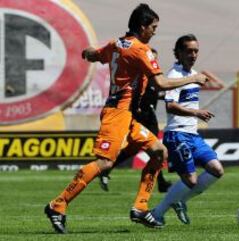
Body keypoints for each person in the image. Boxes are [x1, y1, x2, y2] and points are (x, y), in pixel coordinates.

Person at [44, 4, 208, 233]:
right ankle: (57, 205)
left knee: (159, 151)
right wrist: (194, 79)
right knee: (105, 163)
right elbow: (160, 83)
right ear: (142, 27)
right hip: (117, 113)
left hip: (127, 116)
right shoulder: (141, 50)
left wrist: (86, 52)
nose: (154, 31)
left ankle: (140, 208)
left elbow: (94, 54)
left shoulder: (116, 44)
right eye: (153, 27)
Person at [151, 34, 224, 226]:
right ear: (179, 53)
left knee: (216, 170)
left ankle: (180, 200)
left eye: (196, 51)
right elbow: (170, 106)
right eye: (189, 51)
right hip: (177, 134)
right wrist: (196, 113)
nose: (193, 55)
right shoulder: (174, 76)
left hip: (193, 135)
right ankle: (157, 213)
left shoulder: (194, 75)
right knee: (190, 180)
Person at [98, 48, 172, 193]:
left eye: (154, 59)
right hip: (141, 119)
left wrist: (163, 97)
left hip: (151, 119)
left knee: (141, 151)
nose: (152, 62)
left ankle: (106, 169)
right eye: (150, 59)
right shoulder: (138, 78)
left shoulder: (152, 78)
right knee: (154, 152)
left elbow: (154, 93)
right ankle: (160, 184)